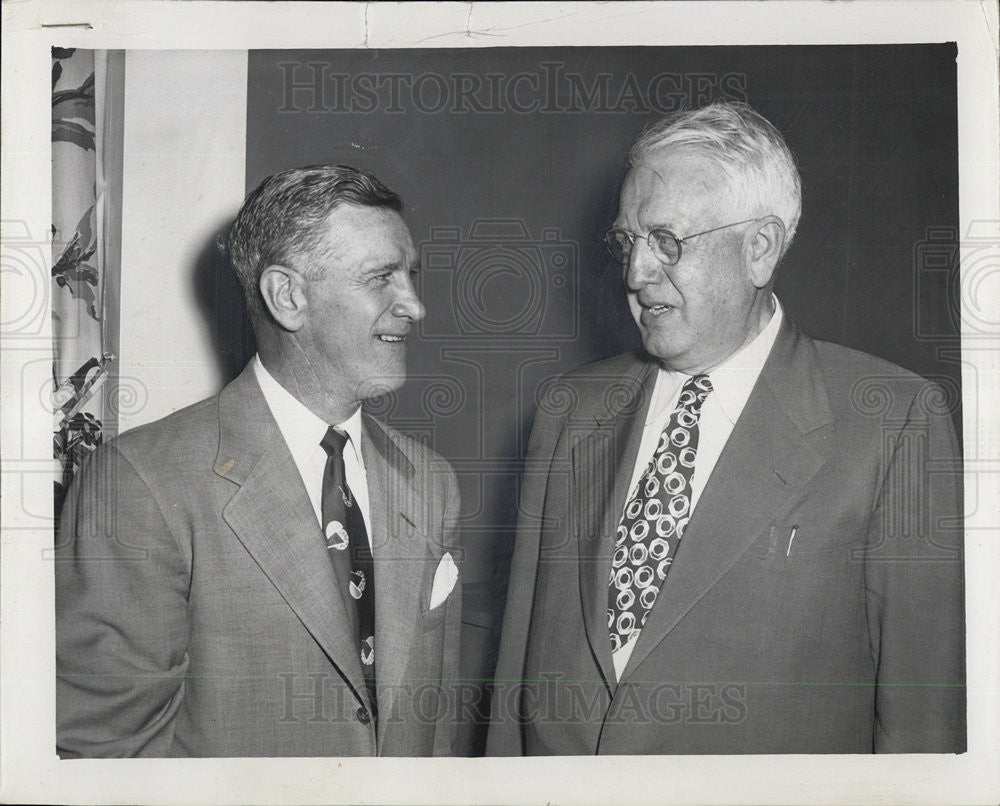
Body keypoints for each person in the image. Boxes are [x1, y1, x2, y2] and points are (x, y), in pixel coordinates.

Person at [487, 102, 965, 755]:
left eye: (667, 242)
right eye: (627, 242)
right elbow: (515, 684)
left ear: (759, 249)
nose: (635, 274)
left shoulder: (893, 423)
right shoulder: (570, 409)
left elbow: (922, 736)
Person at [56, 165, 465, 757]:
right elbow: (105, 754)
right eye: (382, 278)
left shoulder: (432, 481)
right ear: (288, 297)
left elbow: (437, 731)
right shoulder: (140, 483)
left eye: (411, 275)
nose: (415, 306)